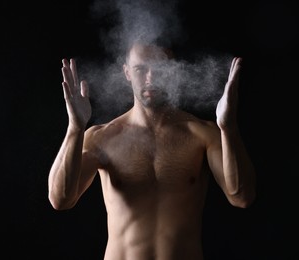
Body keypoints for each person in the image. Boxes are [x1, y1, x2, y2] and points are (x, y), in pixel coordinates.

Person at [48, 41, 256, 260]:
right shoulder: (102, 137)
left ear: (174, 71)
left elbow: (242, 197)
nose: (151, 79)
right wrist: (75, 128)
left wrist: (229, 127)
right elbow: (61, 199)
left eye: (160, 69)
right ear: (127, 72)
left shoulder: (201, 134)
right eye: (140, 69)